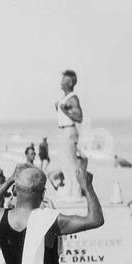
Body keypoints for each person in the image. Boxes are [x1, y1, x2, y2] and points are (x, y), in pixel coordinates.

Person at [50, 69, 84, 200]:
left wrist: (64, 111)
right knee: (64, 162)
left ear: (70, 83)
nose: (61, 82)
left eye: (64, 79)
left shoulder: (73, 98)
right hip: (63, 130)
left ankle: (76, 191)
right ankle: (69, 189)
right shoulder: (65, 99)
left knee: (71, 162)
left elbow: (79, 117)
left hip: (69, 130)